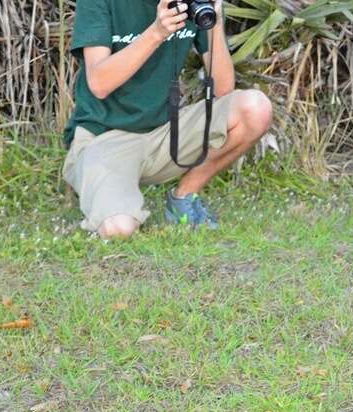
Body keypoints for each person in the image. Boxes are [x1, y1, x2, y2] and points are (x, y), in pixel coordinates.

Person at [62, 0, 273, 237]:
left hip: (164, 135)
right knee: (118, 230)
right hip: (104, 138)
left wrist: (215, 21)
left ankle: (183, 197)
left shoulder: (190, 4)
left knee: (255, 108)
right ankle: (112, 198)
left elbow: (223, 91)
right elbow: (99, 83)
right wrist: (156, 32)